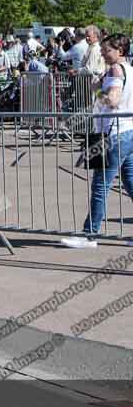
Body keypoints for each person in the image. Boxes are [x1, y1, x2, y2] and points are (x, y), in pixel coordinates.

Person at [62, 34, 133, 248]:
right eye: (102, 49)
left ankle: (89, 234)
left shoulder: (116, 70)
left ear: (120, 50)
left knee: (101, 185)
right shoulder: (130, 69)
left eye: (107, 50)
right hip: (128, 131)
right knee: (130, 182)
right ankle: (89, 233)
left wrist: (97, 90)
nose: (102, 52)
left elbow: (112, 100)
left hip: (113, 134)